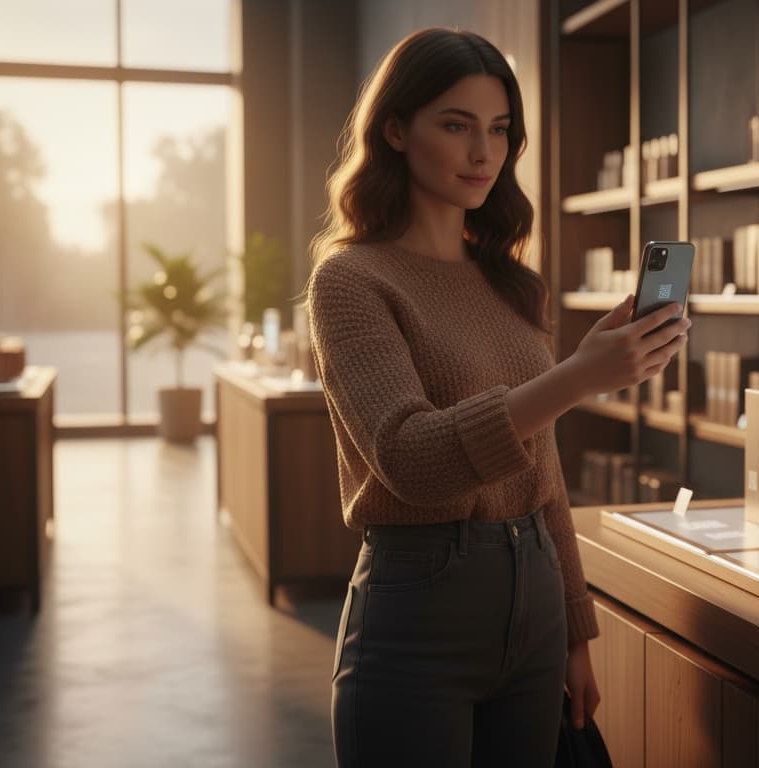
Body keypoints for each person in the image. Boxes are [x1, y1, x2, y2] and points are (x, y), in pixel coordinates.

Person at [307, 27, 689, 767]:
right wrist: (576, 376)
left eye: (500, 129)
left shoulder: (511, 283)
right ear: (394, 130)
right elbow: (410, 459)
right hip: (419, 609)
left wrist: (577, 631)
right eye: (456, 126)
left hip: (538, 603)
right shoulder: (351, 281)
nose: (484, 153)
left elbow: (539, 471)